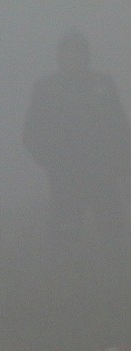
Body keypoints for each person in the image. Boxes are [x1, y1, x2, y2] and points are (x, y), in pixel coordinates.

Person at [23, 31, 131, 260]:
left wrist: (122, 162)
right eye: (69, 52)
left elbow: (119, 126)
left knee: (111, 228)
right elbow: (32, 132)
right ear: (59, 56)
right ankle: (67, 279)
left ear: (87, 55)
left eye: (79, 51)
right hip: (65, 172)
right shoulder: (47, 89)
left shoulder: (102, 83)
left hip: (103, 170)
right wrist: (51, 161)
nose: (74, 57)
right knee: (65, 229)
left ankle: (115, 277)